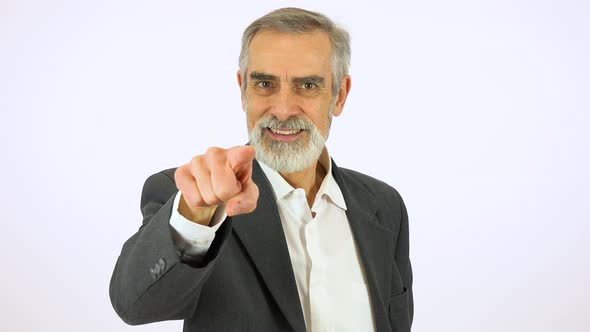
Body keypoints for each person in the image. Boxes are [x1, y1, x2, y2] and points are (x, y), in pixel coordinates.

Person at [109, 7, 413, 332]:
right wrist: (195, 218)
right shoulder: (192, 198)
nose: (282, 110)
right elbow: (134, 305)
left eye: (308, 86)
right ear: (243, 89)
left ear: (340, 95)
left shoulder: (384, 205)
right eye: (265, 83)